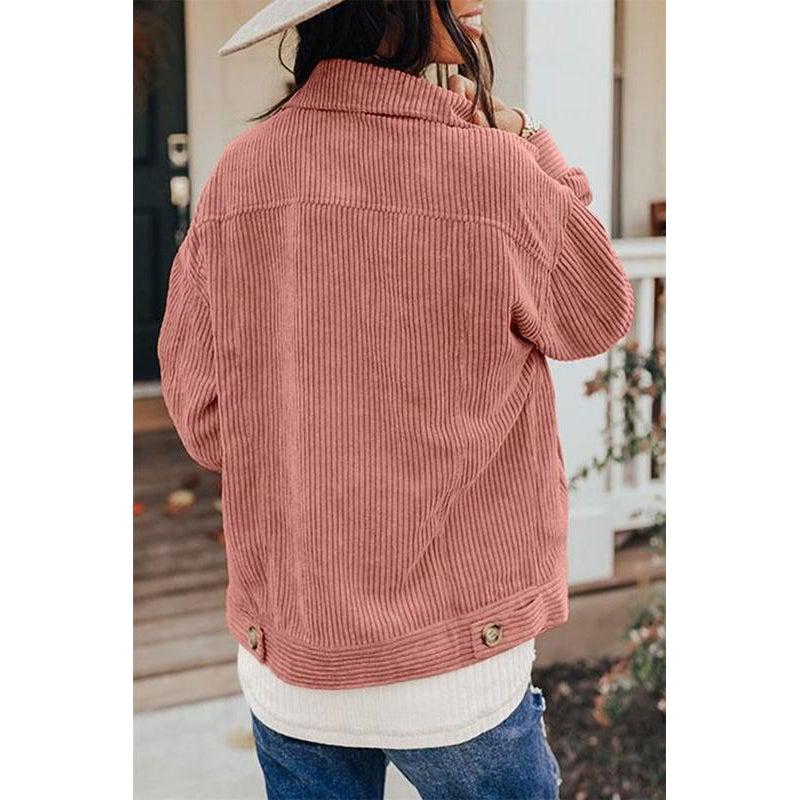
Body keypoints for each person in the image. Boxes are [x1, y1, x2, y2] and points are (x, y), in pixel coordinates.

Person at [157, 1, 634, 797]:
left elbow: (206, 422)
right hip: (458, 668)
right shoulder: (494, 171)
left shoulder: (239, 174)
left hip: (293, 665)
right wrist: (529, 140)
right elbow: (597, 313)